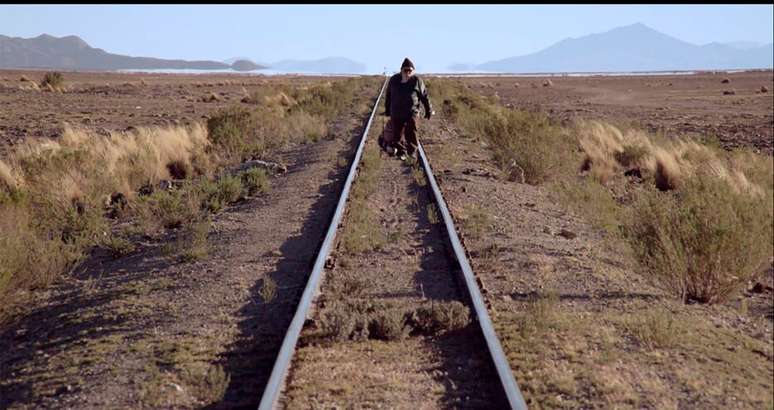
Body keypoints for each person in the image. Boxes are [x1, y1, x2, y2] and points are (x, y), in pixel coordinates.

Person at [382, 57, 434, 161]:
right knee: (397, 134)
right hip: (396, 112)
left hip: (412, 112)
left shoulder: (417, 81)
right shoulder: (394, 80)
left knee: (412, 132)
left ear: (413, 71)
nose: (408, 72)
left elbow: (424, 96)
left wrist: (428, 110)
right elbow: (388, 95)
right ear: (401, 70)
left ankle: (412, 152)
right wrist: (387, 110)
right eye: (406, 70)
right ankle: (402, 152)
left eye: (410, 70)